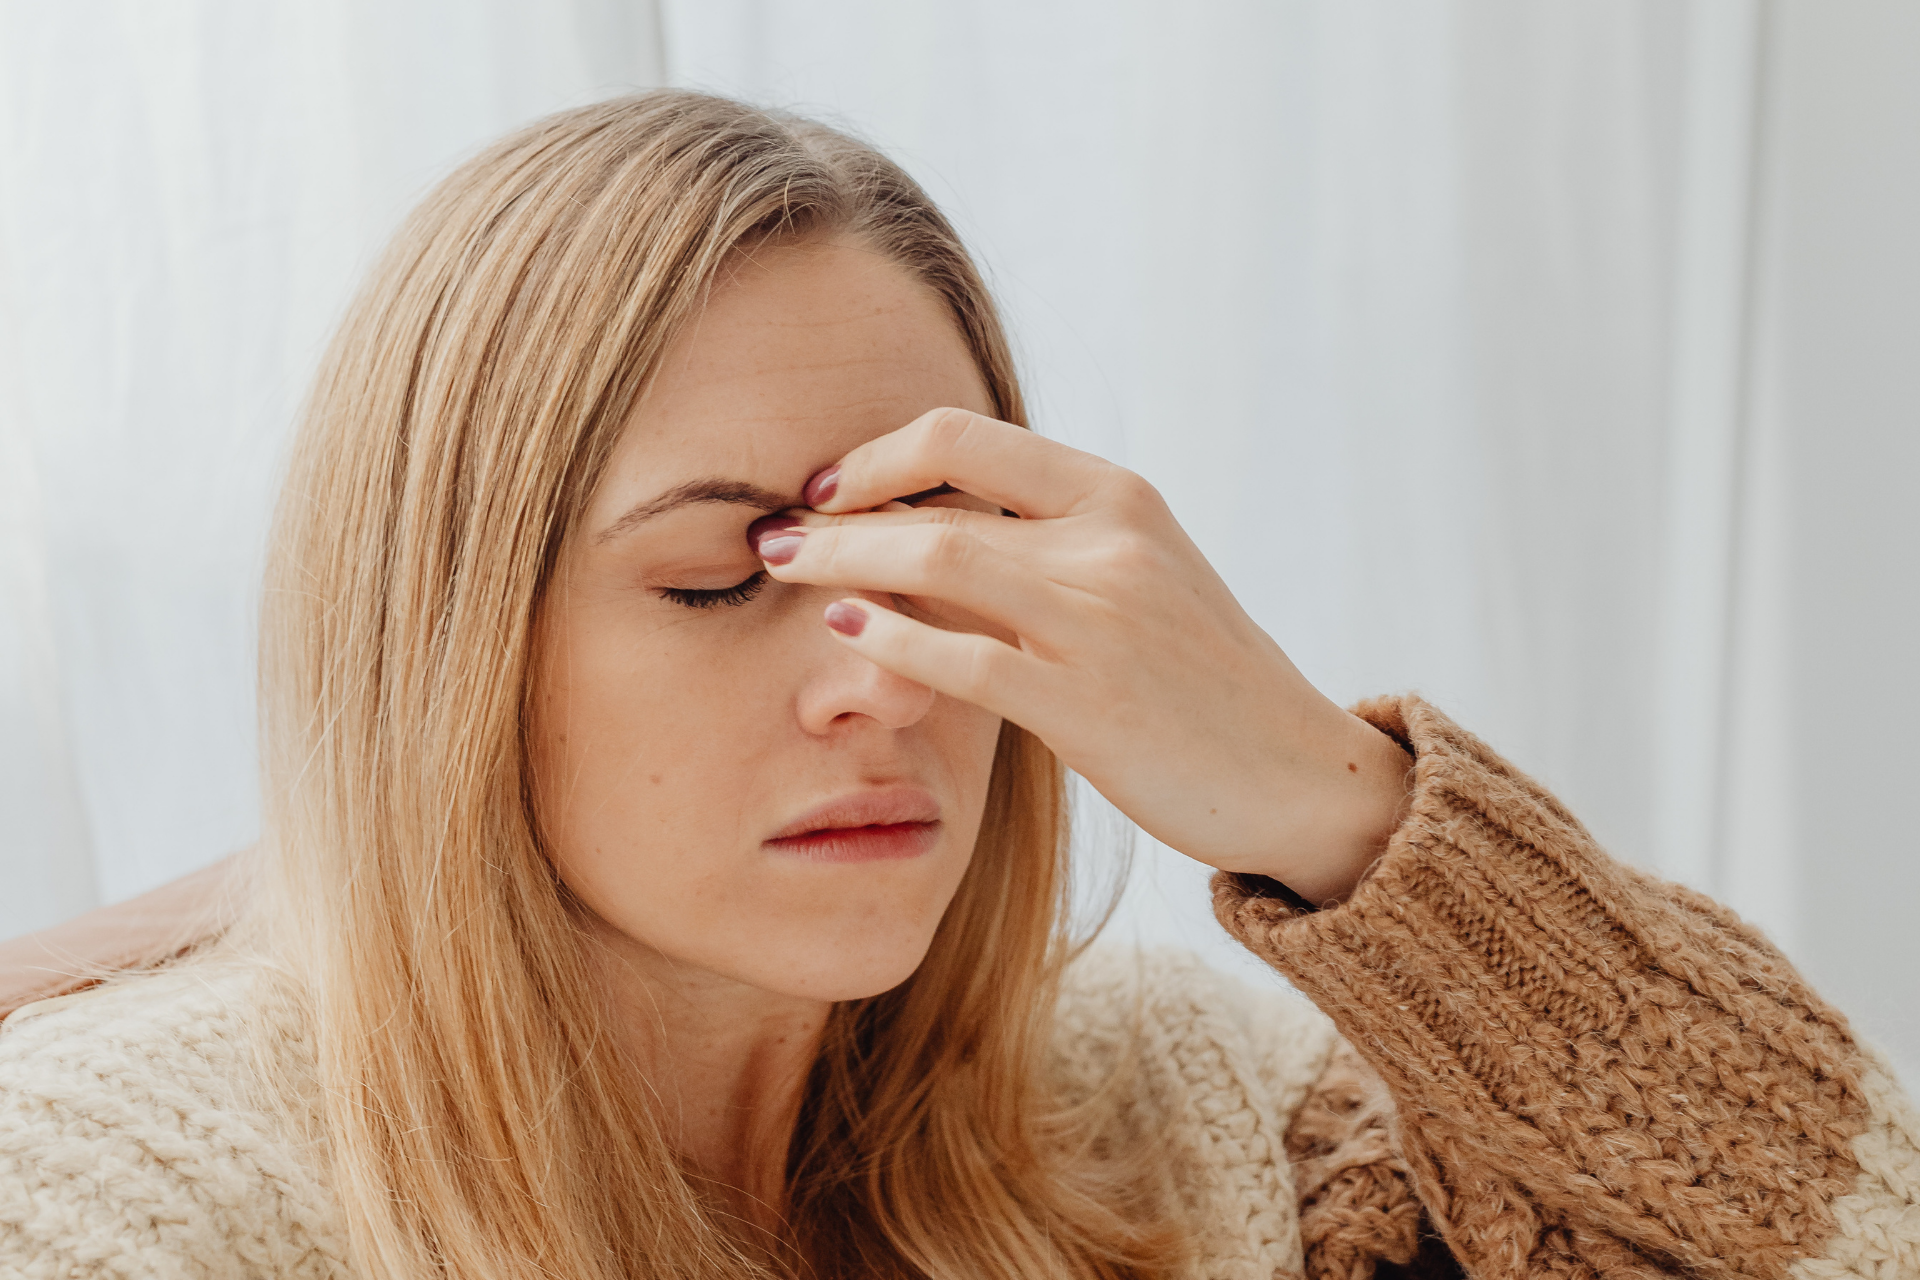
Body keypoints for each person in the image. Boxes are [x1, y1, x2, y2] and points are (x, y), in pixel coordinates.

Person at [0, 90, 1913, 1280]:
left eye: (936, 554)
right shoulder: (105, 1200)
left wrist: (1342, 811)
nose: (884, 683)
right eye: (712, 575)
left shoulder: (1203, 1115)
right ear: (433, 652)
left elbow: (1856, 1234)